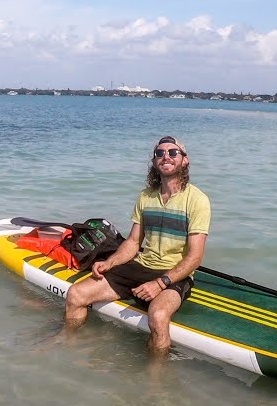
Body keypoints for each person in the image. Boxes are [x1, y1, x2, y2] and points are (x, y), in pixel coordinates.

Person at [63, 136, 211, 353]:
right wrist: (110, 263)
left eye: (173, 152)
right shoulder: (146, 197)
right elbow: (133, 242)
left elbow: (195, 257)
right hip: (141, 266)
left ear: (185, 161)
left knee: (159, 317)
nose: (166, 157)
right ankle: (69, 348)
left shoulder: (197, 200)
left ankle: (154, 380)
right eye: (159, 153)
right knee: (76, 295)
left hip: (173, 274)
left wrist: (160, 284)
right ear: (154, 162)